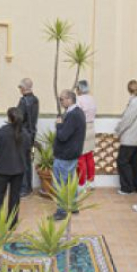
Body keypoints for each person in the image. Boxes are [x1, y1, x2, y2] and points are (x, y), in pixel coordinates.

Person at [0, 107, 28, 231]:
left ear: (9, 118)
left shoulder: (2, 131)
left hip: (3, 169)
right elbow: (27, 151)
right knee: (15, 197)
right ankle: (12, 223)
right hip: (19, 169)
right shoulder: (25, 133)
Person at [53, 89, 85, 221]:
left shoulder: (73, 115)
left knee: (60, 183)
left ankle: (61, 211)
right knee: (70, 181)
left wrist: (59, 125)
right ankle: (72, 205)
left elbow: (63, 136)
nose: (60, 102)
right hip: (71, 153)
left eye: (62, 99)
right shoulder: (77, 112)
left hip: (65, 155)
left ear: (70, 99)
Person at [115, 80, 137, 195]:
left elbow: (127, 120)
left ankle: (127, 187)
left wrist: (118, 130)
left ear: (129, 90)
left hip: (130, 137)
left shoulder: (135, 103)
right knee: (133, 162)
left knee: (122, 161)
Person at [17, 78, 40, 197]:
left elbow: (18, 119)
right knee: (28, 160)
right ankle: (29, 187)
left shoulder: (23, 101)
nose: (19, 90)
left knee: (22, 161)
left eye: (20, 87)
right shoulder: (35, 100)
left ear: (24, 88)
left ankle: (24, 188)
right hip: (31, 134)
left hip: (23, 134)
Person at [75, 80, 97, 189]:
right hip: (91, 127)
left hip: (82, 128)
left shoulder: (78, 100)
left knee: (81, 157)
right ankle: (91, 181)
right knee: (89, 156)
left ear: (79, 88)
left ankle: (81, 183)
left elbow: (77, 115)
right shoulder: (92, 98)